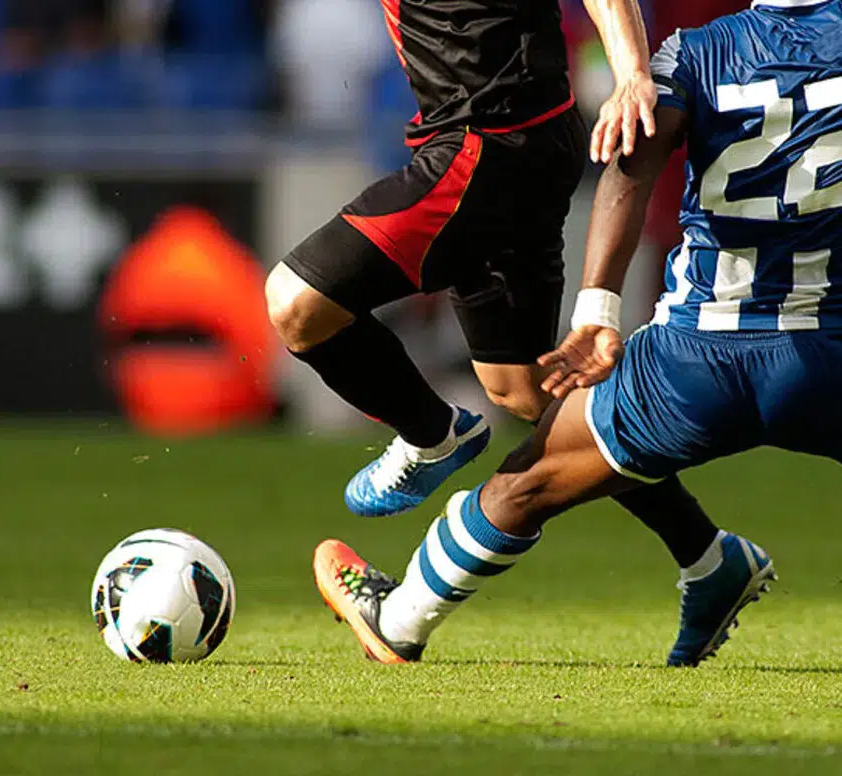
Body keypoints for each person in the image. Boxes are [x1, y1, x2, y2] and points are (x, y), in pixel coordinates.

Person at [313, 0, 842, 686]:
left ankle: (400, 621)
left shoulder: (695, 52)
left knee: (527, 482)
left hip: (698, 360)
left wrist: (599, 309)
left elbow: (630, 164)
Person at [264, 0, 736, 629]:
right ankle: (708, 555)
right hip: (518, 140)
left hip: (485, 147)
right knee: (526, 390)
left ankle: (433, 434)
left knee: (296, 302)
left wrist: (630, 73)